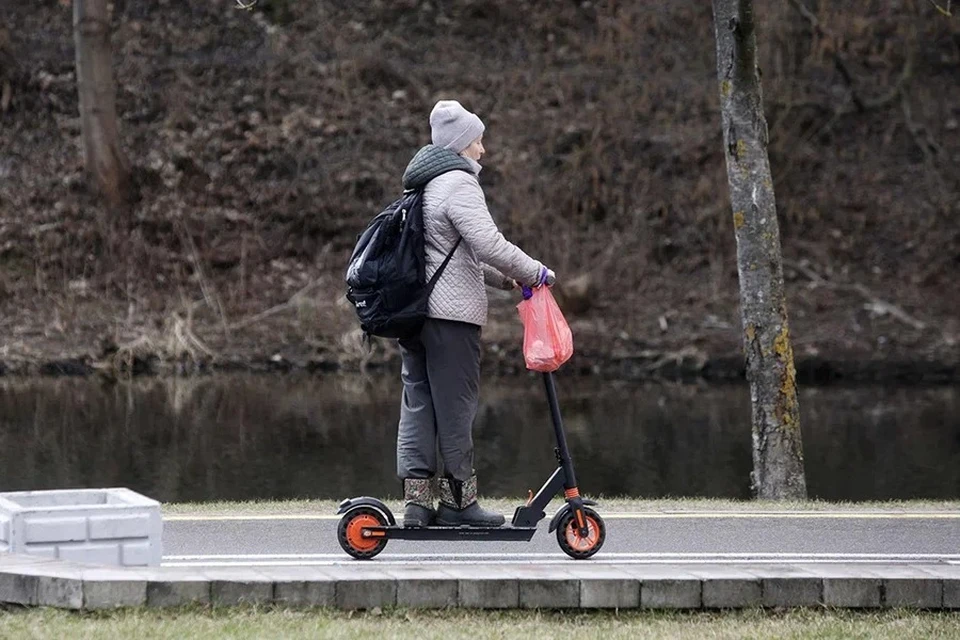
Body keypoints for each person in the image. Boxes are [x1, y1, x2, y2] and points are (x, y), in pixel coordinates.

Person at [397, 100, 555, 528]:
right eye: (478, 141)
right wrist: (535, 272)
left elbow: (450, 257)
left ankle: (416, 506)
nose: (483, 150)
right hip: (451, 320)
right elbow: (489, 243)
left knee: (419, 405)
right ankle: (459, 504)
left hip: (413, 317)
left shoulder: (422, 186)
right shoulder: (458, 184)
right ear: (462, 145)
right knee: (456, 408)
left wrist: (506, 282)